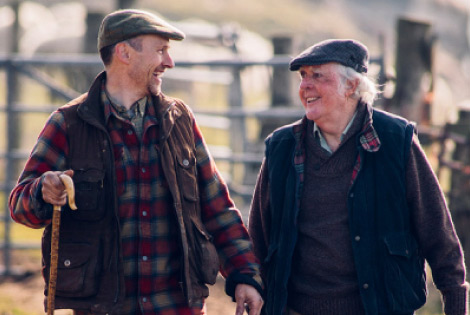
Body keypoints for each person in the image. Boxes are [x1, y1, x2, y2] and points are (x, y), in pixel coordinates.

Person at [9, 9, 263, 315]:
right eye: (160, 51)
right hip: (102, 307)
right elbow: (19, 206)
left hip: (176, 306)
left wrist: (245, 275)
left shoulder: (180, 120)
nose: (169, 62)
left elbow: (217, 207)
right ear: (124, 53)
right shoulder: (68, 124)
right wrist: (41, 192)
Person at [248, 38, 468, 315]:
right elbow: (258, 235)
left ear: (351, 86)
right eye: (303, 76)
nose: (305, 86)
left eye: (318, 76)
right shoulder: (281, 147)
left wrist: (456, 302)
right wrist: (249, 283)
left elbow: (438, 232)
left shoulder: (395, 141)